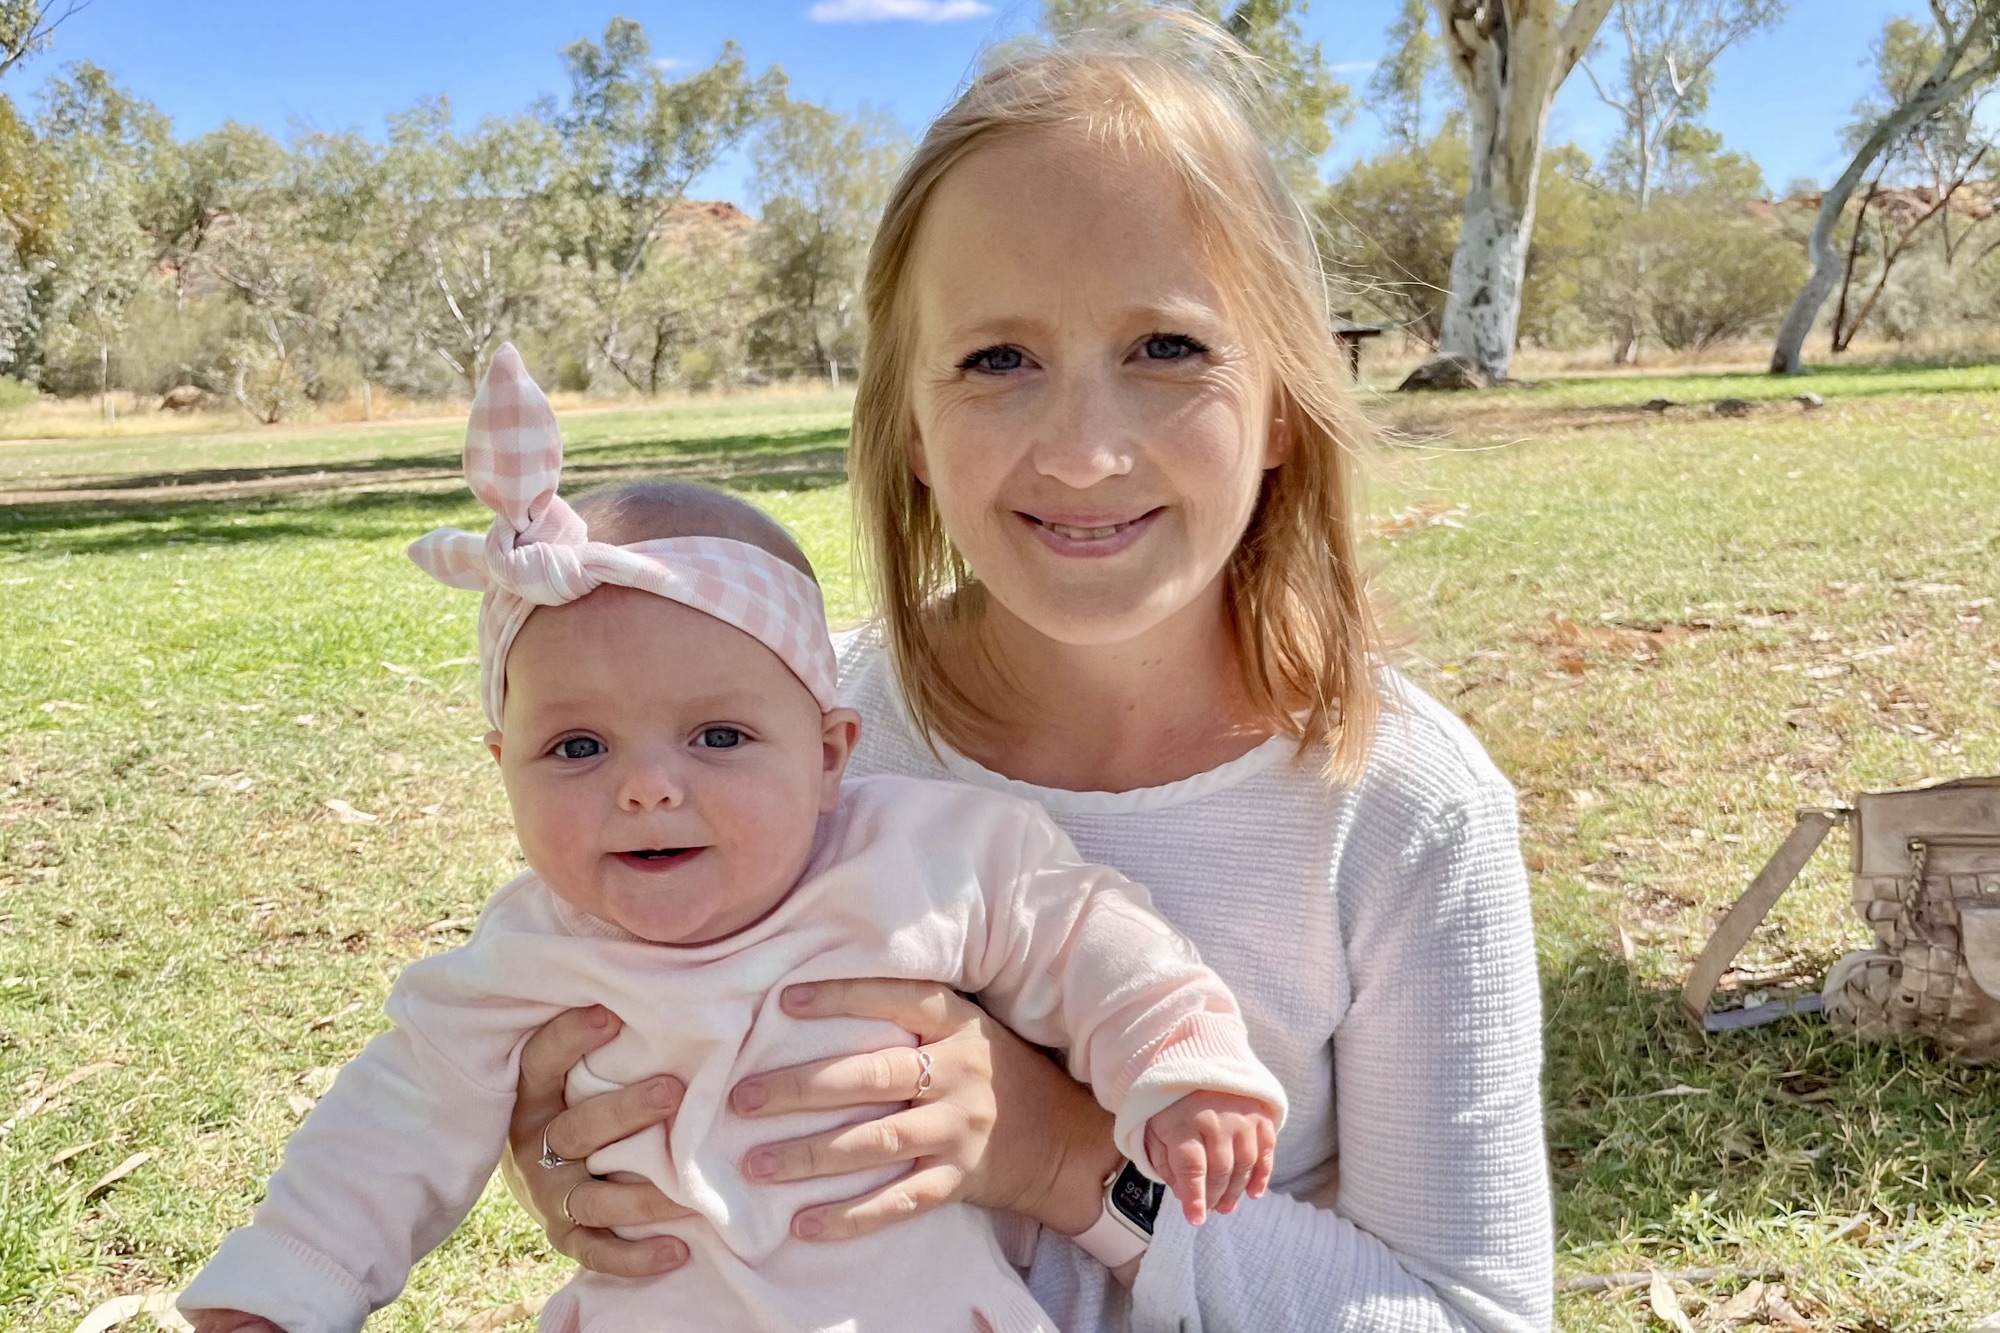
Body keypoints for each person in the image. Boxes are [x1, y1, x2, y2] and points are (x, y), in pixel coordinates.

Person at [505, 19, 1553, 1333]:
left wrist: (1066, 1161)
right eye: (997, 360)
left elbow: (1471, 1312)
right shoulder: (789, 742)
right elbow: (566, 1034)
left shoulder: (1400, 807)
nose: (1082, 450)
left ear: (1284, 397)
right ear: (916, 432)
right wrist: (567, 1144)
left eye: (1167, 349)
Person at [176, 347, 1286, 1333]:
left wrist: (1179, 1067)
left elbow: (1087, 936)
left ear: (828, 753)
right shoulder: (521, 959)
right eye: (575, 749)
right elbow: (393, 1123)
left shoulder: (922, 856)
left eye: (717, 735)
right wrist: (283, 1288)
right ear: (498, 767)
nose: (648, 790)